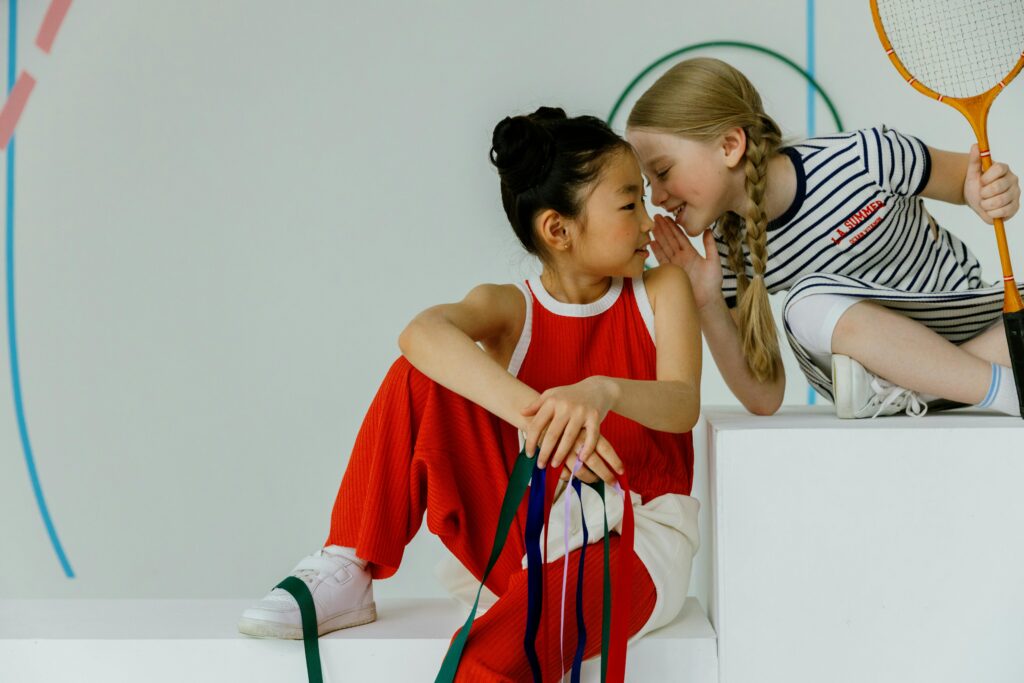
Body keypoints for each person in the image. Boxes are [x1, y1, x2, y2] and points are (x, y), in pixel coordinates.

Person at [238, 107, 702, 680]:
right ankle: (350, 561)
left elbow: (682, 405)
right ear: (558, 229)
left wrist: (600, 392)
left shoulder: (660, 289)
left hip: (633, 542)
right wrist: (534, 415)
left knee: (497, 648)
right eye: (630, 204)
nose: (648, 215)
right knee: (420, 374)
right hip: (530, 529)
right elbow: (420, 334)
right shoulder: (512, 307)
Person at [625, 56, 1023, 419]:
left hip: (966, 326)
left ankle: (918, 385)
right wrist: (708, 301)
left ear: (730, 146)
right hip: (875, 366)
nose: (657, 198)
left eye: (662, 172)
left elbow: (966, 183)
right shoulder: (729, 252)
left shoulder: (867, 157)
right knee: (805, 301)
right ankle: (1004, 390)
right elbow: (764, 397)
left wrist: (986, 191)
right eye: (649, 182)